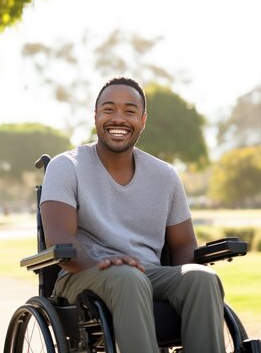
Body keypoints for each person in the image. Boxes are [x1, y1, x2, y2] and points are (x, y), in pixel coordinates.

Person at [40, 76, 224, 353]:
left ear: (143, 120)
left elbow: (184, 244)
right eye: (109, 109)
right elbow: (59, 239)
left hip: (147, 273)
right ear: (96, 116)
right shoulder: (66, 166)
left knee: (202, 279)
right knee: (128, 277)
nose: (118, 119)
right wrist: (105, 263)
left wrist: (182, 279)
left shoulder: (165, 176)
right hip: (83, 273)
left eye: (129, 111)